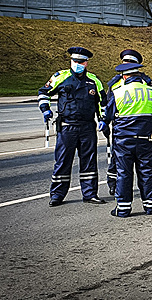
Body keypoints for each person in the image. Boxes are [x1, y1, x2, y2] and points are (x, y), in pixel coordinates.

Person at [38, 46, 107, 207]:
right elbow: (43, 93)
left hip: (87, 127)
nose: (78, 64)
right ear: (71, 61)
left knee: (89, 162)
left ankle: (90, 194)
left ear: (86, 63)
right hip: (67, 127)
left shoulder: (94, 81)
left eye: (81, 62)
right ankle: (57, 195)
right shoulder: (60, 77)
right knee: (62, 161)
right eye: (75, 61)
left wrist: (103, 119)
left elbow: (102, 103)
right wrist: (45, 109)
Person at [103, 62, 152, 217]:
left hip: (124, 141)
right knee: (147, 171)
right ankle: (151, 206)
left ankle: (123, 208)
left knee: (124, 173)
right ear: (139, 75)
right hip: (146, 139)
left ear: (124, 76)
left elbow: (108, 115)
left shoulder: (118, 92)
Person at [104, 49, 152, 196]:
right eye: (125, 62)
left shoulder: (145, 81)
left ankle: (127, 195)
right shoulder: (114, 82)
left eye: (130, 63)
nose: (127, 65)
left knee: (136, 166)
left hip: (139, 127)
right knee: (115, 159)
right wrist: (105, 121)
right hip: (120, 126)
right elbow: (108, 103)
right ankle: (113, 185)